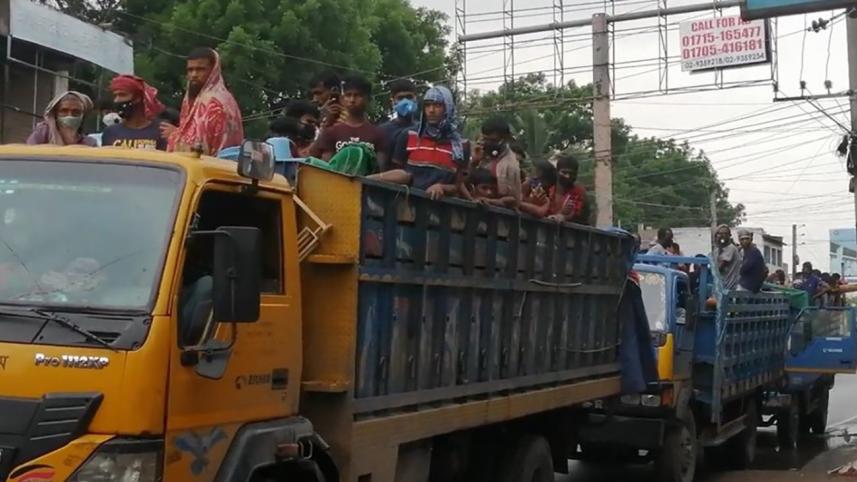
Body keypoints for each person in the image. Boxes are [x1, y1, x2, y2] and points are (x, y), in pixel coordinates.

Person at [370, 85, 468, 200]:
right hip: (406, 204)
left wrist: (442, 187)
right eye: (427, 105)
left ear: (448, 107)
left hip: (441, 209)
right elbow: (397, 172)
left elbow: (458, 185)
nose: (431, 110)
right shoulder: (409, 135)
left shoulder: (461, 145)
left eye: (437, 105)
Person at [164, 47, 244, 155]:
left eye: (200, 69)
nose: (194, 75)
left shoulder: (217, 103)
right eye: (190, 70)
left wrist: (174, 135)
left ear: (213, 71)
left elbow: (204, 149)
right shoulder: (194, 99)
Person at [309, 74, 387, 167]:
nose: (352, 100)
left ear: (368, 99)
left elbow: (380, 168)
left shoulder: (378, 134)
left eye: (358, 95)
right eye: (348, 95)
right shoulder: (331, 131)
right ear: (342, 98)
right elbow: (328, 168)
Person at [101, 75, 167, 150]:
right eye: (115, 95)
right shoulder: (110, 132)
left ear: (138, 98)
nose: (116, 100)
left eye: (122, 95)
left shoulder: (162, 132)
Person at [470, 117, 521, 208]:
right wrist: (474, 162)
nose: (488, 143)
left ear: (505, 139)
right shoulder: (479, 152)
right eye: (485, 139)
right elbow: (463, 182)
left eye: (493, 140)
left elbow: (513, 201)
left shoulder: (510, 165)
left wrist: (490, 201)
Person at [27, 91, 97, 146]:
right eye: (64, 111)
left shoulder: (89, 143)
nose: (70, 115)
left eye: (76, 112)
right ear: (55, 113)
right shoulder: (43, 134)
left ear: (83, 115)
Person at [379, 79, 418, 167]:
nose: (405, 101)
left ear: (415, 98)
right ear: (393, 101)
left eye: (409, 97)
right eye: (400, 98)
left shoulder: (422, 130)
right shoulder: (382, 131)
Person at [715, 225, 742, 291]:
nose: (722, 236)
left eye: (725, 234)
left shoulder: (731, 248)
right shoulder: (717, 250)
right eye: (720, 234)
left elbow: (719, 268)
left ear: (729, 236)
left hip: (728, 286)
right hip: (722, 284)